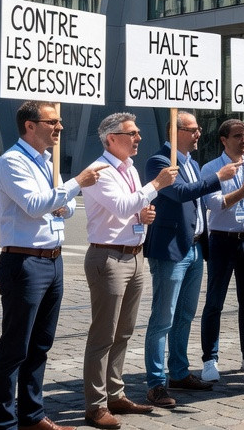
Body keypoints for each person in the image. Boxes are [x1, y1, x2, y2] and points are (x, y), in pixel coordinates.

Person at [0, 101, 107, 430]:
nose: (59, 128)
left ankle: (32, 415)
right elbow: (34, 205)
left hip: (52, 260)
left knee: (41, 344)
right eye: (52, 121)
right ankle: (5, 422)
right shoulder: (12, 161)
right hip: (23, 261)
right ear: (30, 125)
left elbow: (64, 208)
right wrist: (76, 184)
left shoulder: (45, 160)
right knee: (15, 347)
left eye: (59, 122)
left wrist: (62, 199)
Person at [80, 113, 177, 429]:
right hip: (108, 258)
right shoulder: (99, 171)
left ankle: (115, 392)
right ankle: (95, 406)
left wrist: (144, 214)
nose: (138, 138)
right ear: (111, 138)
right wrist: (155, 185)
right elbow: (121, 206)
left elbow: (132, 210)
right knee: (103, 335)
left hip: (134, 255)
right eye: (131, 133)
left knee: (123, 332)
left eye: (137, 132)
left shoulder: (130, 169)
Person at [142, 112, 241, 408]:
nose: (199, 134)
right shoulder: (159, 161)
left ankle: (180, 372)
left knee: (185, 315)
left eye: (199, 129)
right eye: (193, 129)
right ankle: (156, 383)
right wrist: (217, 178)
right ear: (175, 130)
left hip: (195, 247)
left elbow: (203, 203)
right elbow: (180, 193)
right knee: (163, 319)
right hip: (171, 249)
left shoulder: (193, 163)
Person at [197, 119, 244, 383]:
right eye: (237, 136)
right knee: (214, 303)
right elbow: (214, 204)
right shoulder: (211, 168)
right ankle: (210, 358)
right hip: (222, 241)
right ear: (224, 140)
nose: (243, 140)